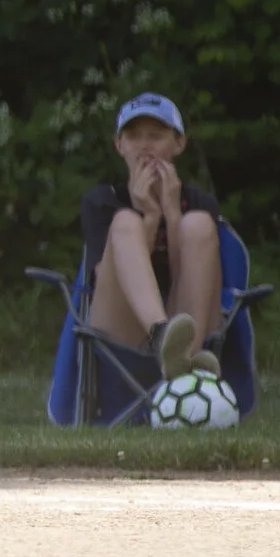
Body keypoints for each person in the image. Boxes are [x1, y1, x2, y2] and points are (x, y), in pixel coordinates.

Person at [79, 92, 223, 379]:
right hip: (121, 325)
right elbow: (101, 276)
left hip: (188, 322)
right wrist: (150, 215)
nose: (144, 147)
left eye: (156, 136)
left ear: (179, 143)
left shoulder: (199, 202)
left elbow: (186, 276)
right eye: (133, 137)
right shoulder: (103, 200)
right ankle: (161, 333)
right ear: (119, 145)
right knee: (125, 222)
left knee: (198, 224)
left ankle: (180, 358)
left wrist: (172, 214)